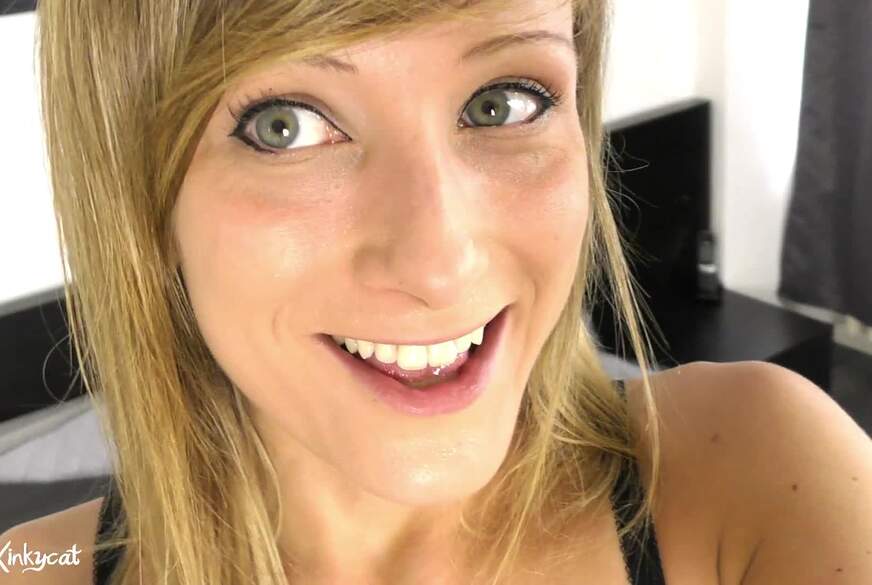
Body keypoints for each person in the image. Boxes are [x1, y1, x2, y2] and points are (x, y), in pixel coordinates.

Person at [3, 0, 871, 584]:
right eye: (285, 126)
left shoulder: (758, 476)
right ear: (142, 200)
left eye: (503, 102)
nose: (439, 267)